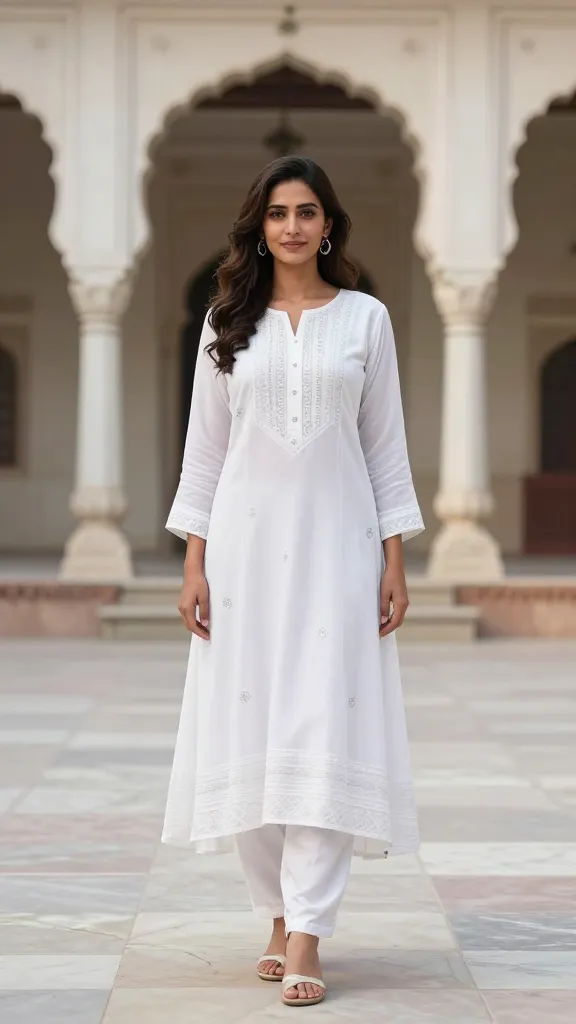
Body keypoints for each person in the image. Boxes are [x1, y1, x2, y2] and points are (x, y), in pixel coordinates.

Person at [162, 156, 424, 1008]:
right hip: (242, 557)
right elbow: (205, 451)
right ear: (260, 226)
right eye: (278, 213)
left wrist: (393, 560)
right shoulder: (225, 322)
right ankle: (273, 911)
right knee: (251, 733)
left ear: (330, 225)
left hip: (338, 554)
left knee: (325, 731)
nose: (293, 227)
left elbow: (385, 448)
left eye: (308, 211)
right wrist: (196, 561)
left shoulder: (366, 321)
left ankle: (310, 927)